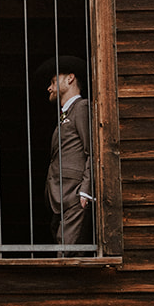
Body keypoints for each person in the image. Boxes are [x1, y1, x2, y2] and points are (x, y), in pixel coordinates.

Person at [40, 56, 94, 250]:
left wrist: (85, 191)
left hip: (74, 195)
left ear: (70, 79)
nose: (50, 87)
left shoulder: (81, 108)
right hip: (60, 197)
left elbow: (93, 151)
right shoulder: (66, 114)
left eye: (54, 82)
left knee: (68, 253)